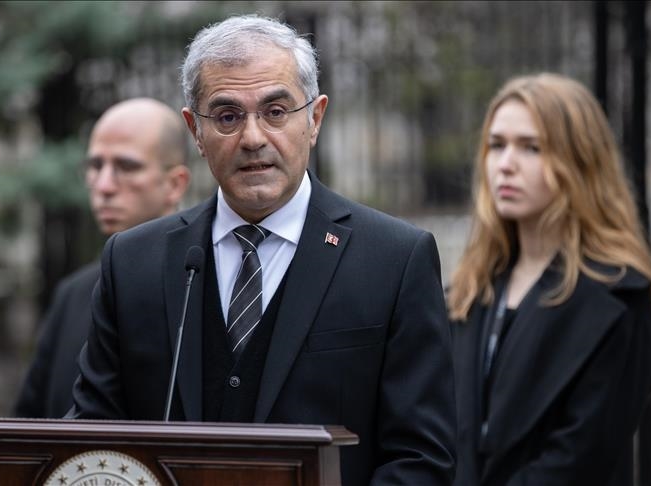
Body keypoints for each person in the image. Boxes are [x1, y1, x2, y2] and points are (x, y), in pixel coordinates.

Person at [67, 14, 456, 485]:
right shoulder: (133, 262)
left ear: (314, 119)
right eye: (227, 116)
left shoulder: (394, 259)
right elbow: (92, 440)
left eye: (275, 111)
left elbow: (420, 460)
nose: (252, 138)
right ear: (195, 131)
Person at [446, 73, 651, 485]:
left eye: (532, 147)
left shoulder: (619, 298)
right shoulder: (471, 288)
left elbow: (581, 456)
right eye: (497, 145)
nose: (506, 164)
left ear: (578, 161)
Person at [13, 98, 191, 418]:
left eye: (127, 166)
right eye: (95, 166)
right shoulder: (72, 294)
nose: (104, 185)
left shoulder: (201, 285)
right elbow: (29, 425)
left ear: (175, 184)